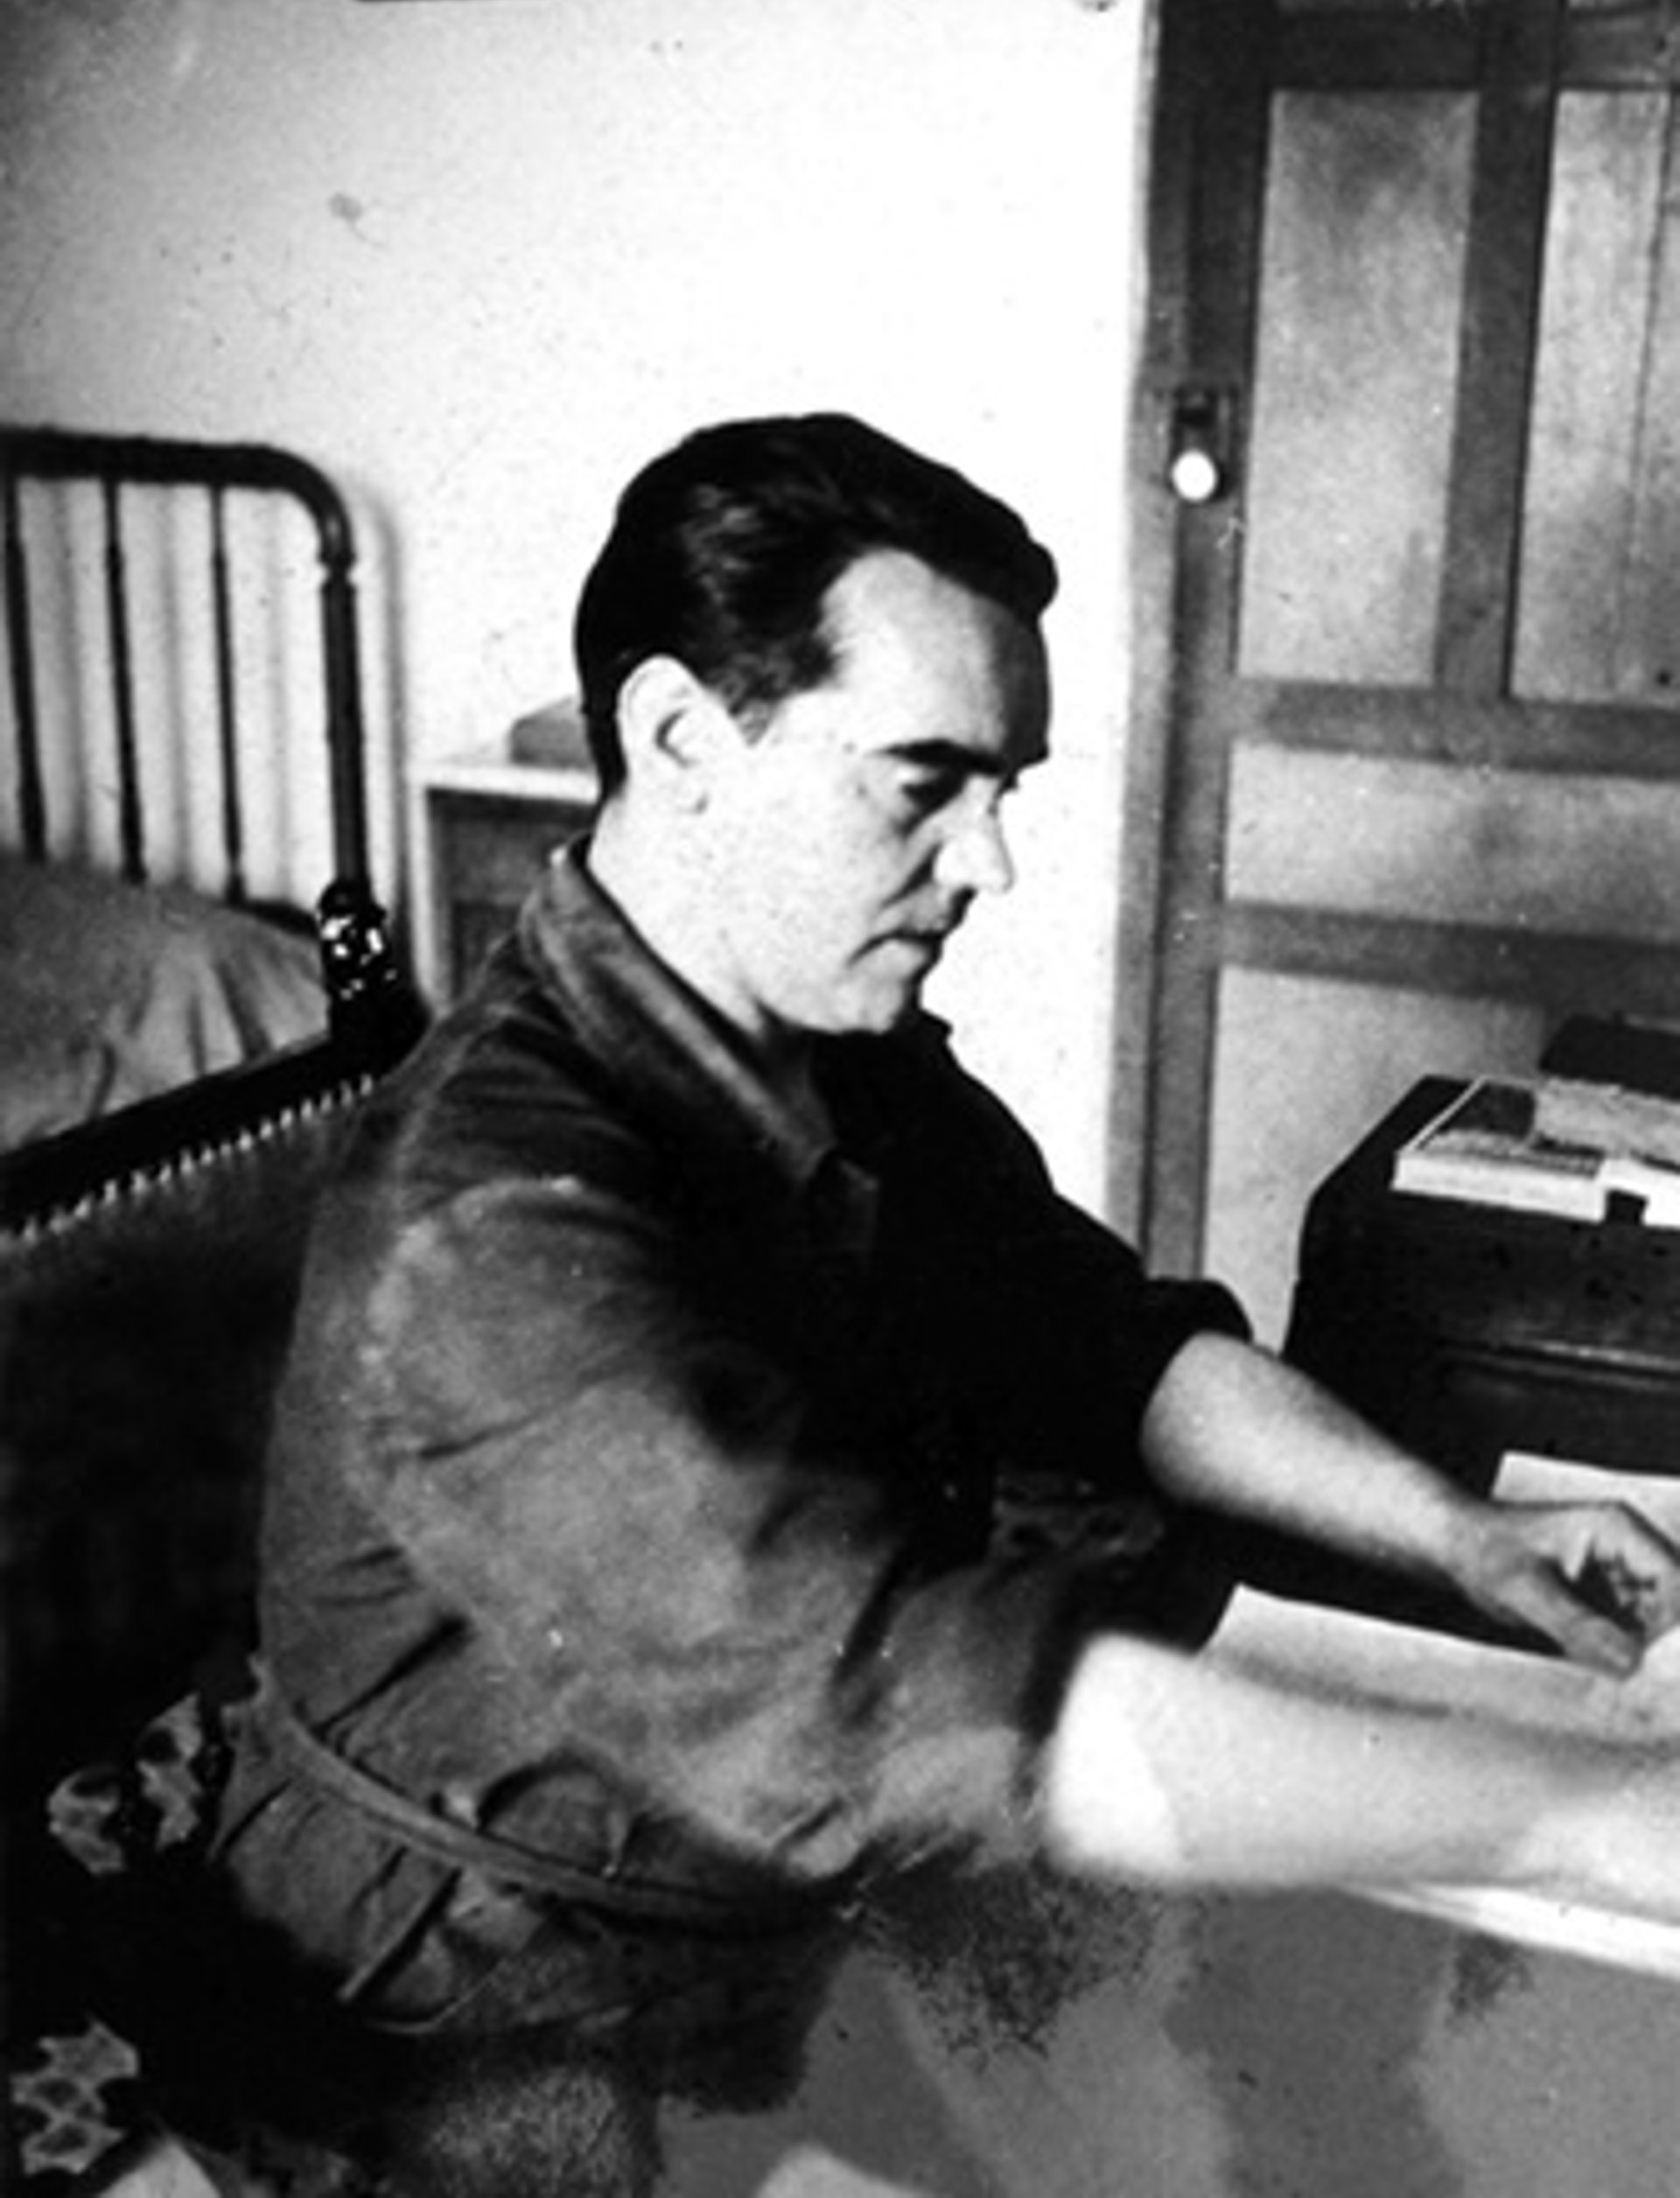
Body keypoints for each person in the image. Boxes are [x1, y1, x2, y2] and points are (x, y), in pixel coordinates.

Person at [208, 412, 1680, 2194]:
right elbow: (890, 1712)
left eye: (1004, 791)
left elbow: (1108, 1349)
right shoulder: (491, 1223)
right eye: (924, 784)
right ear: (680, 739)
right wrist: (1585, 1816)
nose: (991, 862)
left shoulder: (836, 1052)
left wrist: (1458, 1535)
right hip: (489, 2003)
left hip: (779, 1865)